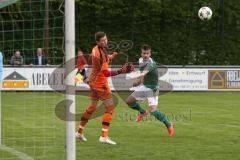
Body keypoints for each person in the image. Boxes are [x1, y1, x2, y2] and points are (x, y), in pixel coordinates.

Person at [75, 31, 134, 145]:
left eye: (106, 39)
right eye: (102, 40)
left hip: (93, 82)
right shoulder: (100, 54)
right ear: (98, 42)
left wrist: (111, 56)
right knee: (110, 108)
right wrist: (120, 71)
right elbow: (106, 72)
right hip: (100, 84)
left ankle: (79, 132)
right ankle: (103, 136)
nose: (105, 41)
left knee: (91, 107)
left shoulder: (96, 49)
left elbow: (102, 60)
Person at [125, 44, 174, 136]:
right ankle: (142, 112)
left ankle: (169, 124)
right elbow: (143, 75)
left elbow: (144, 72)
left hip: (153, 89)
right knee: (129, 101)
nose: (145, 55)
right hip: (145, 86)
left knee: (153, 111)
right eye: (144, 53)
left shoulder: (151, 64)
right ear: (141, 53)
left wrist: (135, 78)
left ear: (150, 54)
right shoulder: (140, 60)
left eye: (147, 53)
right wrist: (138, 82)